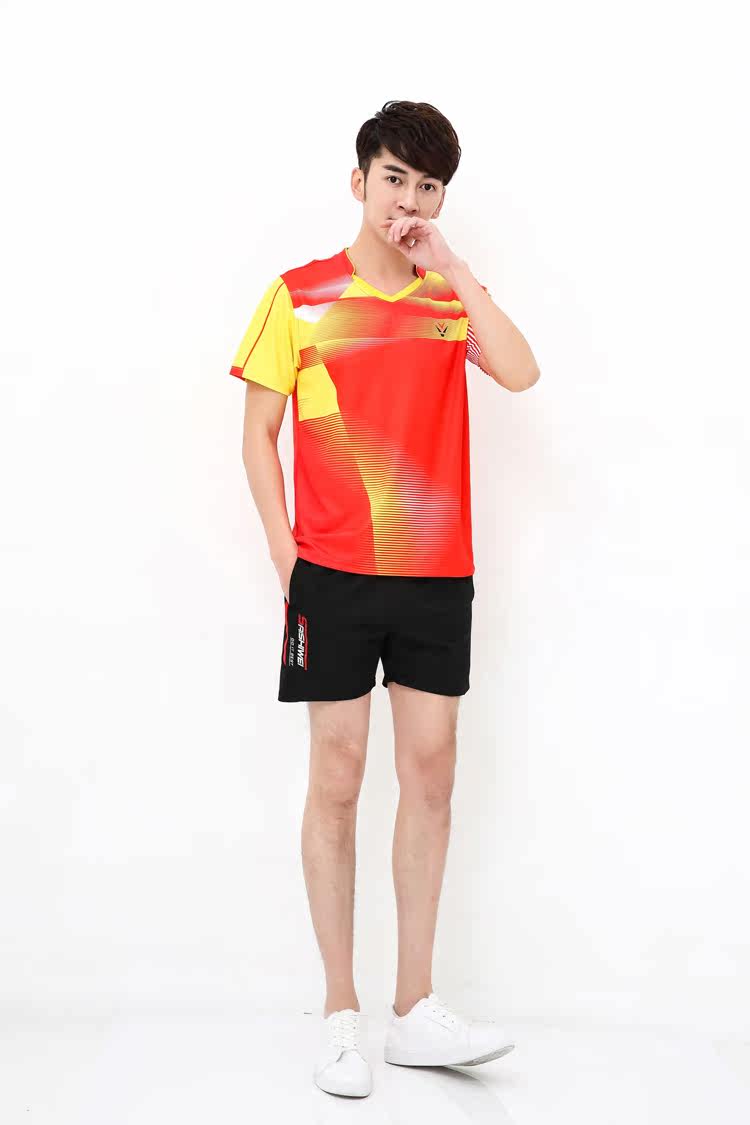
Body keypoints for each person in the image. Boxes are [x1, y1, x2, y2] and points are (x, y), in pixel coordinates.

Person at [228, 100, 540, 1098]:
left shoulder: (449, 299)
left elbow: (522, 371)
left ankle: (414, 1008)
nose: (408, 199)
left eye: (428, 185)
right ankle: (339, 1011)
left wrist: (454, 265)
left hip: (437, 571)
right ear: (358, 179)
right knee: (338, 774)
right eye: (394, 177)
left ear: (442, 198)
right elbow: (257, 433)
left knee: (432, 774)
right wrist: (287, 558)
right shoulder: (299, 295)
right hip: (331, 573)